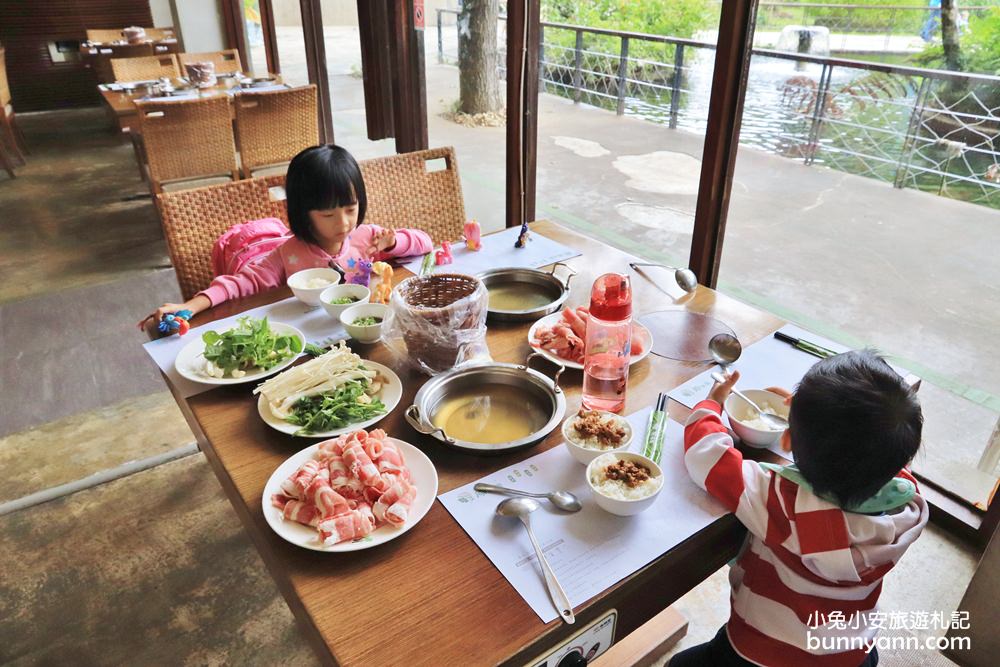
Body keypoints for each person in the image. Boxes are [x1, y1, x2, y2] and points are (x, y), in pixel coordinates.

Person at [670, 350, 928, 667]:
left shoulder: (781, 502)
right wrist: (807, 424)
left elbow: (705, 457)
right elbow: (880, 454)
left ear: (787, 438)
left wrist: (711, 404)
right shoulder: (908, 503)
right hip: (851, 655)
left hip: (761, 654)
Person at [140, 145, 433, 329]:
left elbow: (425, 243)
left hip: (363, 327)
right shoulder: (288, 254)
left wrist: (393, 243)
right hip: (309, 338)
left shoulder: (365, 238)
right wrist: (189, 306)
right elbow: (238, 285)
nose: (343, 223)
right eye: (328, 215)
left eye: (350, 209)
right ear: (303, 213)